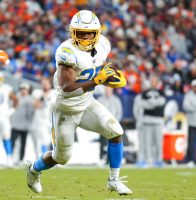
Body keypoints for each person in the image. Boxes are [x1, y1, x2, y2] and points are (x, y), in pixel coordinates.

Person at [24, 10, 132, 195]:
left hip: (87, 102)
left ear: (97, 33)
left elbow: (97, 68)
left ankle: (114, 180)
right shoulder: (66, 51)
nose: (85, 36)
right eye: (80, 32)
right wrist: (97, 80)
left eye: (89, 32)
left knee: (116, 131)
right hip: (65, 108)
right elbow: (67, 87)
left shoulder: (104, 44)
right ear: (73, 32)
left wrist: (109, 77)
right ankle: (34, 169)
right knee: (61, 157)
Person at [139, 75, 166, 167]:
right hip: (147, 120)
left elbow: (162, 102)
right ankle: (148, 161)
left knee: (158, 142)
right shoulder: (145, 92)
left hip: (158, 120)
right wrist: (154, 103)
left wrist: (151, 102)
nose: (153, 83)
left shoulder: (161, 92)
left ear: (157, 82)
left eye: (154, 81)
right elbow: (143, 104)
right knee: (147, 143)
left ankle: (159, 160)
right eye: (152, 81)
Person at [29, 78, 56, 158]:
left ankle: (53, 159)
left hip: (52, 120)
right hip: (40, 121)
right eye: (43, 84)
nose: (44, 85)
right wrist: (42, 97)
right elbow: (36, 106)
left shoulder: (54, 93)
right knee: (43, 140)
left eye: (46, 84)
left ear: (50, 84)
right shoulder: (37, 93)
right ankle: (44, 159)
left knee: (52, 141)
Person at [96, 87, 122, 166]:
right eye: (106, 90)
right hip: (103, 125)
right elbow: (97, 112)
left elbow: (119, 112)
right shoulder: (100, 100)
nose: (107, 91)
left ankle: (112, 159)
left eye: (109, 90)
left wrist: (114, 123)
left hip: (114, 126)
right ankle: (102, 158)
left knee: (113, 142)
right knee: (103, 142)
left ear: (112, 90)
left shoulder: (116, 100)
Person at [11, 82, 33, 164]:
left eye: (25, 89)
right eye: (22, 89)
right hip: (15, 124)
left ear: (28, 90)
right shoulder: (16, 97)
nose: (23, 91)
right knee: (12, 142)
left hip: (25, 125)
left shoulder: (30, 99)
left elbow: (31, 113)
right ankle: (10, 158)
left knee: (23, 143)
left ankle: (20, 159)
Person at [0, 72, 17, 167]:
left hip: (4, 116)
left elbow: (15, 99)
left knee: (6, 137)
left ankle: (9, 158)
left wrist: (12, 110)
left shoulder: (6, 88)